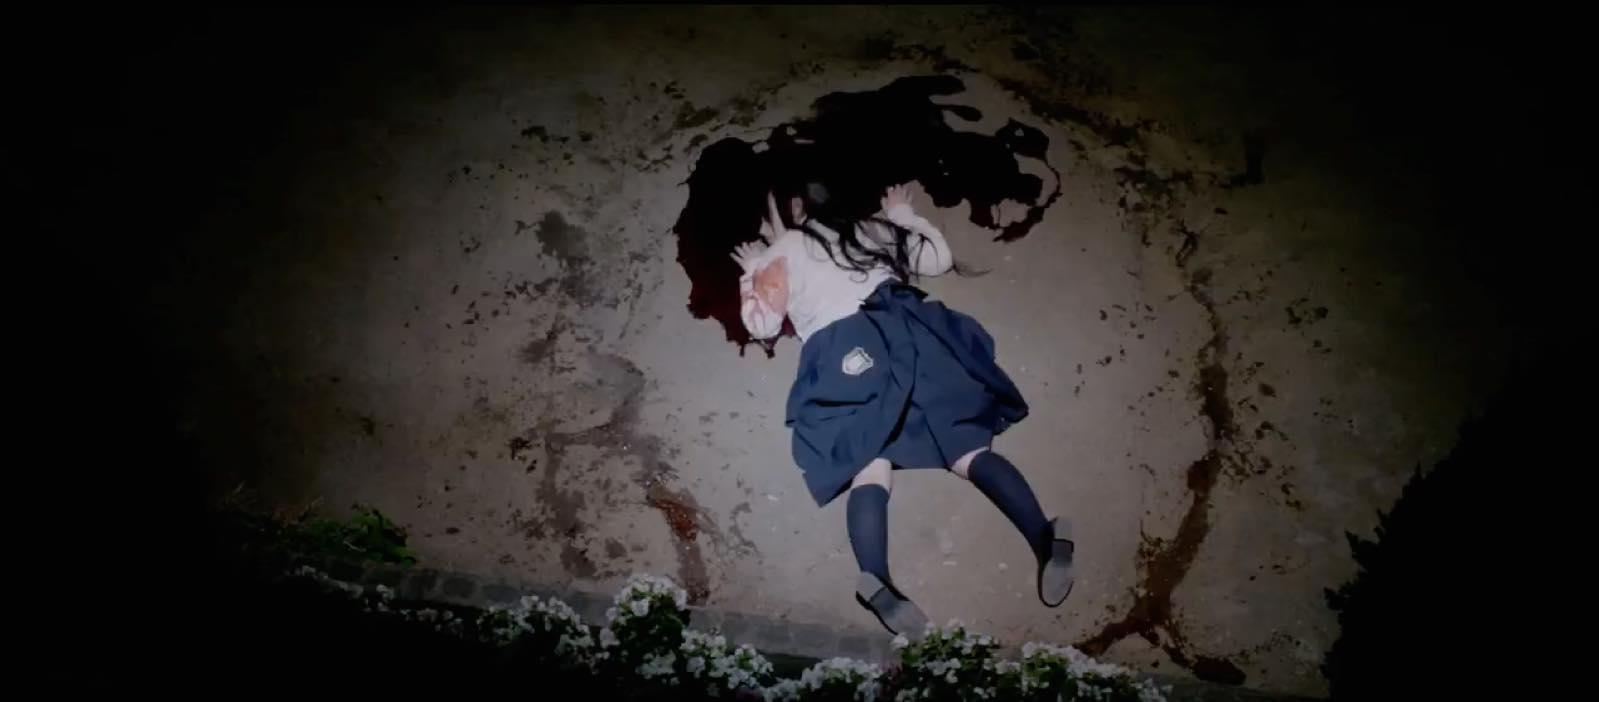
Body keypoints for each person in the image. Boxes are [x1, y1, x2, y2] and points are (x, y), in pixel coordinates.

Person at [731, 179, 1075, 635]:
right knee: (967, 451)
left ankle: (877, 576)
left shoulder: (780, 255)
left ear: (791, 212)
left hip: (847, 355)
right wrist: (901, 216)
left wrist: (753, 271)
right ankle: (1044, 537)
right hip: (910, 336)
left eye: (768, 218)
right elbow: (937, 259)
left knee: (869, 466)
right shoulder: (868, 230)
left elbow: (762, 325)